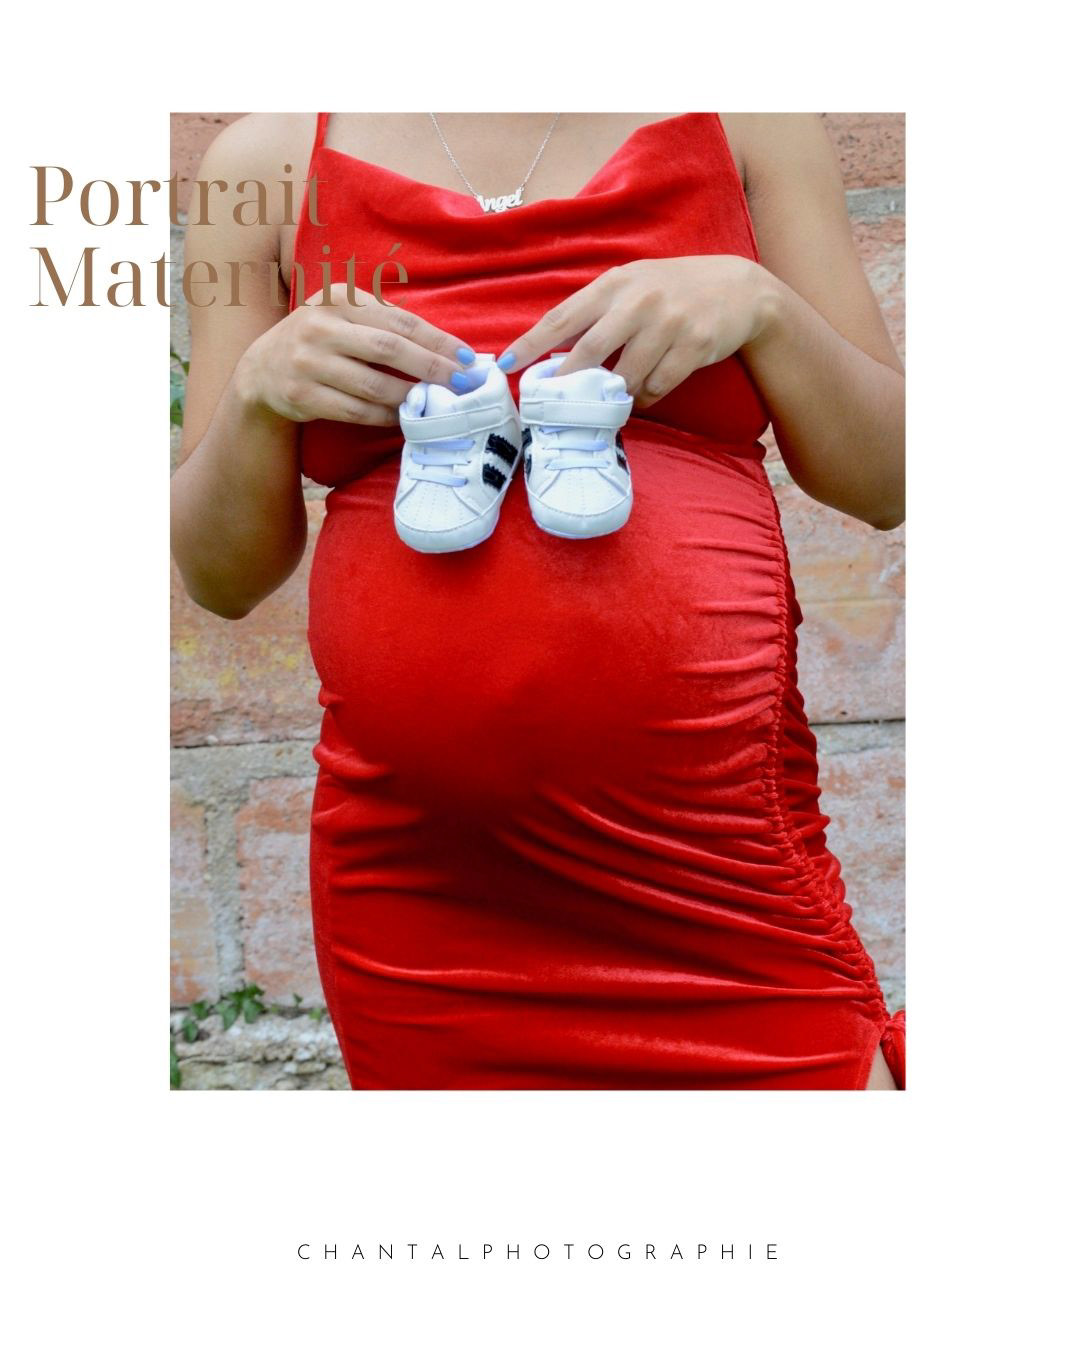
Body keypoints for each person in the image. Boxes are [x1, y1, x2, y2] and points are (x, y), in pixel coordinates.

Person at [171, 112, 905, 1089]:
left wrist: (760, 304)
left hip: (717, 879)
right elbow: (220, 577)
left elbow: (888, 482)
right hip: (423, 911)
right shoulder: (261, 165)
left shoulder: (750, 119)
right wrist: (257, 393)